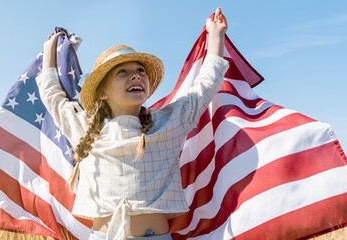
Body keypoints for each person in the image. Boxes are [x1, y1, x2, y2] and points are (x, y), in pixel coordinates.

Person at [35, 8, 229, 240]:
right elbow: (52, 95)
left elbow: (205, 86)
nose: (136, 76)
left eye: (140, 71)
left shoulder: (168, 122)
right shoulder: (84, 127)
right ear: (102, 92)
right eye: (123, 72)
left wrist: (216, 35)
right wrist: (49, 52)